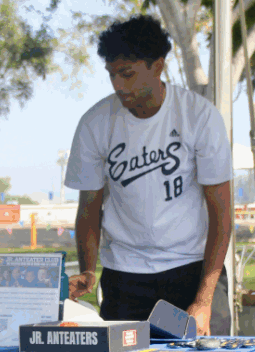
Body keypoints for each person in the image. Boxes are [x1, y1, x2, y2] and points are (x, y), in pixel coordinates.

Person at [64, 14, 232, 335]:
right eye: (111, 75)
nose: (118, 85)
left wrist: (204, 300)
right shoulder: (95, 123)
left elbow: (221, 214)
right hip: (125, 278)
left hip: (191, 270)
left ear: (158, 66)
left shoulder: (199, 117)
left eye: (127, 74)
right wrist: (88, 268)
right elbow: (88, 209)